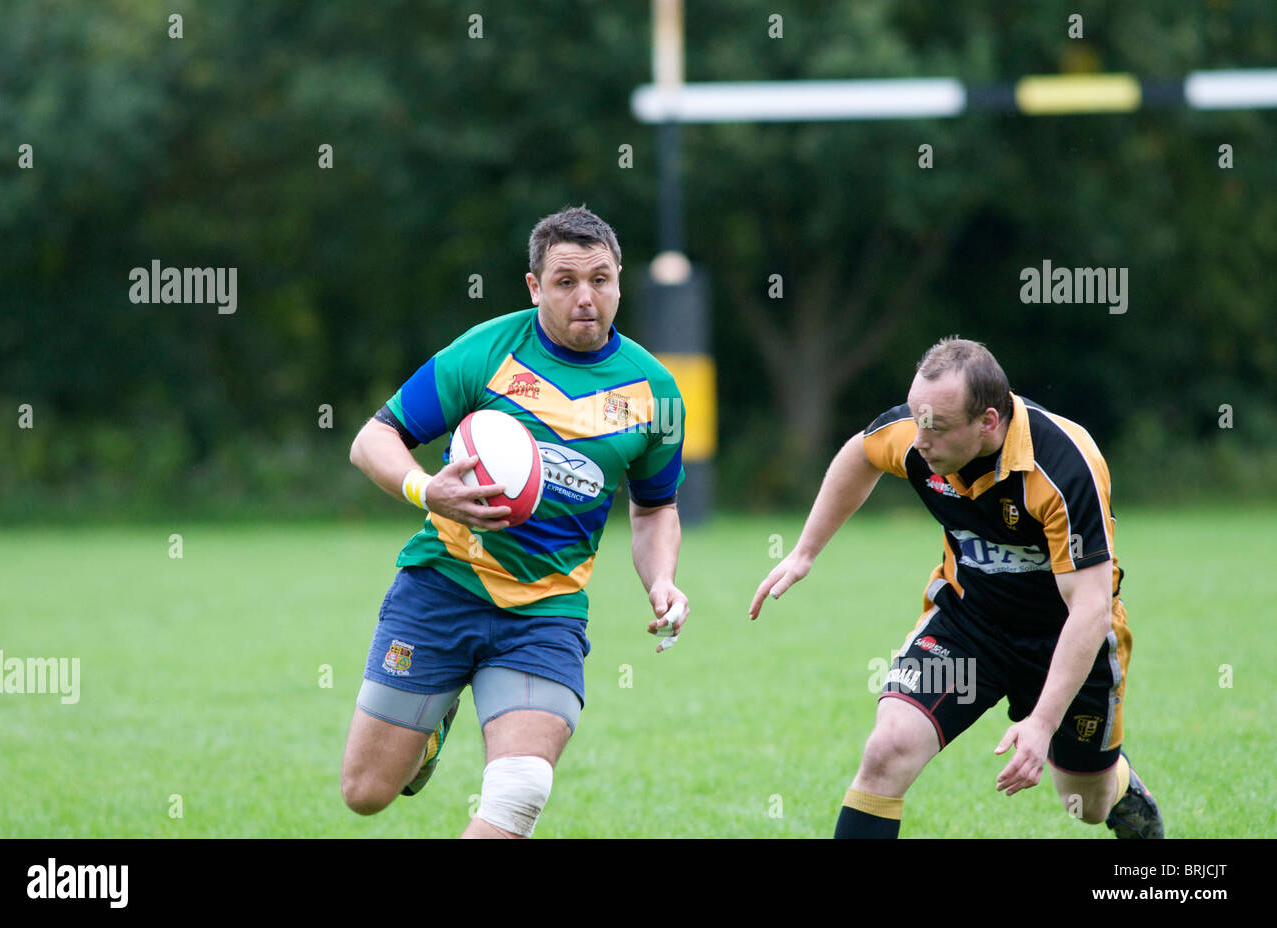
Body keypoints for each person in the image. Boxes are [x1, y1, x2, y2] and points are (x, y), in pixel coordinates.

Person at [342, 205, 688, 838]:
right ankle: (431, 726)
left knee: (520, 789)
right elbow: (372, 440)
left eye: (601, 280)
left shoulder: (656, 392)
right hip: (443, 586)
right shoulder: (487, 352)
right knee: (365, 793)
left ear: (619, 281)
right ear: (534, 287)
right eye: (565, 282)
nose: (586, 297)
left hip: (546, 612)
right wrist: (427, 489)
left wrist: (661, 579)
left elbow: (655, 508)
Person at [749, 337, 1163, 839]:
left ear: (988, 421)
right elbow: (861, 455)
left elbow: (1090, 610)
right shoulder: (918, 432)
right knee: (887, 750)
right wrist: (805, 552)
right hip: (971, 625)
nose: (920, 443)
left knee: (1084, 804)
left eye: (938, 429)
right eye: (919, 423)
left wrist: (1041, 722)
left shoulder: (1064, 466)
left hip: (1066, 637)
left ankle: (1121, 789)